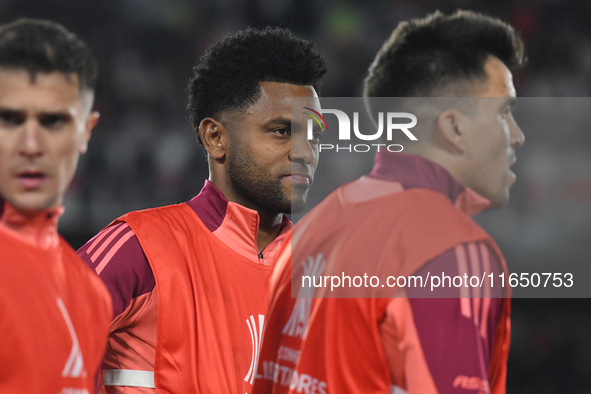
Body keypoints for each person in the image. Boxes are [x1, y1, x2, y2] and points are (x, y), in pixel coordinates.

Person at [254, 10, 525, 394]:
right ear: (453, 127)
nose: (517, 136)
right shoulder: (452, 250)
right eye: (505, 113)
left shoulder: (310, 230)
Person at [76, 27, 326, 393]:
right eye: (281, 131)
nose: (305, 152)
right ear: (215, 137)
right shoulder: (140, 246)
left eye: (315, 135)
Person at [0, 19, 111, 393]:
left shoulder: (92, 295)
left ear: (86, 131)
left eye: (52, 121)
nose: (30, 144)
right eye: (10, 119)